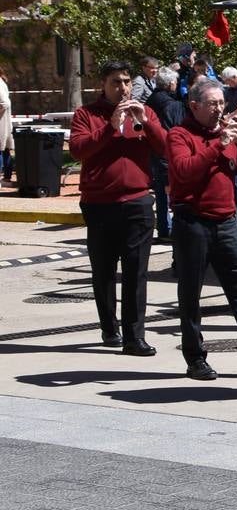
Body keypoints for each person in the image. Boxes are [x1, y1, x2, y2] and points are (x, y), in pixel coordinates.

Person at [167, 79, 237, 381]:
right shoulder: (179, 135)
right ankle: (195, 358)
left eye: (222, 103)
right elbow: (184, 172)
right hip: (193, 223)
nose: (219, 109)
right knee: (190, 295)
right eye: (212, 104)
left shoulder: (225, 132)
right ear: (194, 106)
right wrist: (219, 145)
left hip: (227, 222)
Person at [70, 60, 167, 355]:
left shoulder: (144, 111)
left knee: (136, 271)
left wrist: (147, 123)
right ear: (103, 84)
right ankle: (109, 328)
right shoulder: (86, 114)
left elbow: (165, 148)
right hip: (99, 204)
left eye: (126, 81)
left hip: (137, 201)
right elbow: (78, 149)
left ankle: (134, 337)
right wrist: (109, 128)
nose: (123, 87)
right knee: (104, 271)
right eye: (116, 81)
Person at [146, 67, 185, 242]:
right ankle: (174, 228)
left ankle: (163, 228)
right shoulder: (172, 105)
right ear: (170, 84)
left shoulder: (150, 100)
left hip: (153, 151)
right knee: (172, 192)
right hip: (168, 153)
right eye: (175, 82)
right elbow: (176, 129)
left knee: (161, 192)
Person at [0, 64, 12, 182]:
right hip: (4, 122)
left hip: (1, 122)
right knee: (5, 149)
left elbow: (4, 103)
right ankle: (7, 177)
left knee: (1, 149)